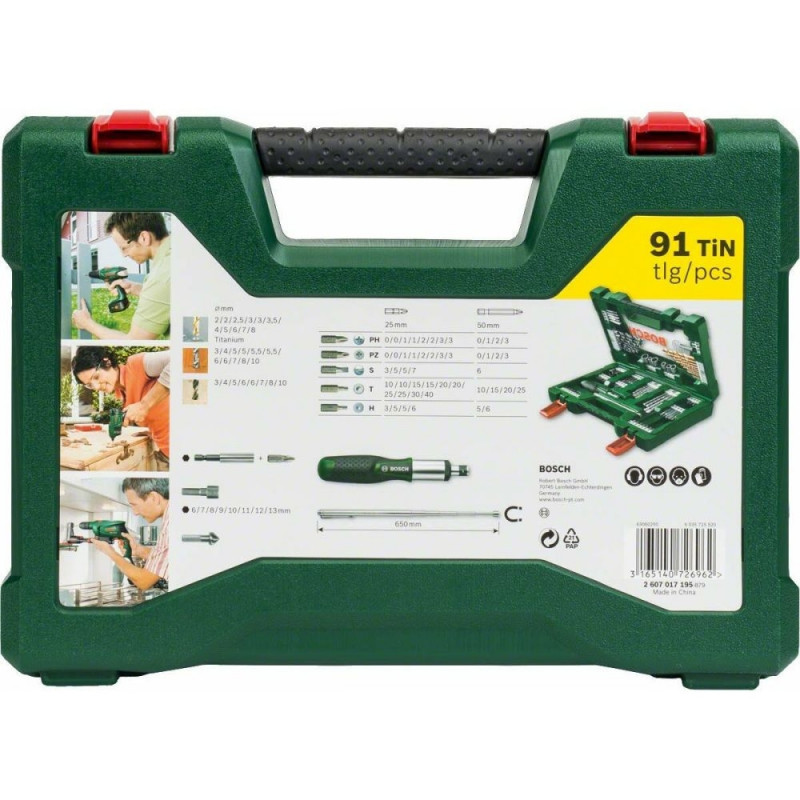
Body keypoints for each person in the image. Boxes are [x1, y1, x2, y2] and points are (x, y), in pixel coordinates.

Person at [72, 212, 171, 339]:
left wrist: (87, 323)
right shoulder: (178, 253)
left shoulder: (161, 275)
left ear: (144, 238)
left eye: (124, 248)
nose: (124, 255)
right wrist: (137, 289)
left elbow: (135, 342)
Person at [72, 346, 170, 468]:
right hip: (165, 453)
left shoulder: (136, 365)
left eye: (96, 377)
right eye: (90, 385)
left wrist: (144, 405)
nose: (96, 387)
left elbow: (180, 358)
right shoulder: (121, 394)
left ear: (107, 362)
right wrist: (154, 430)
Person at [90, 477, 169, 592]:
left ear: (154, 498)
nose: (135, 513)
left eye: (134, 505)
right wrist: (138, 550)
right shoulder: (172, 519)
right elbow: (168, 558)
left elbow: (144, 581)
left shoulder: (170, 526)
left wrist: (110, 552)